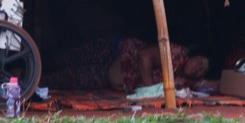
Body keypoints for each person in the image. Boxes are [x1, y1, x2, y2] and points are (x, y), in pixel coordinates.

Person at [41, 37, 208, 93]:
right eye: (200, 62)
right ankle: (25, 64)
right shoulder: (177, 54)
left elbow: (212, 86)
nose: (198, 68)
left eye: (202, 70)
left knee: (67, 79)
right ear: (194, 55)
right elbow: (144, 56)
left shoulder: (182, 82)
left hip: (111, 76)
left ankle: (24, 81)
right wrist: (149, 91)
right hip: (113, 53)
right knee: (66, 59)